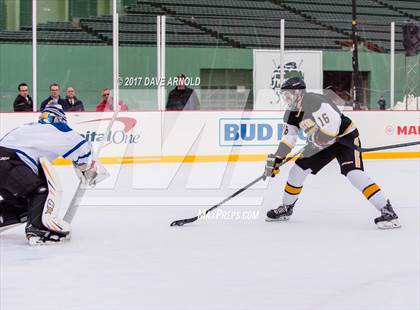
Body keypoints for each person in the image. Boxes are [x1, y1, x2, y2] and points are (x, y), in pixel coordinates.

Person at [264, 77, 400, 229]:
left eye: (288, 94)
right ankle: (287, 208)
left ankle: (388, 211)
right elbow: (289, 138)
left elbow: (332, 128)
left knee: (354, 174)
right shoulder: (291, 113)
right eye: (284, 94)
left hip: (344, 138)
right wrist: (277, 158)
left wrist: (317, 140)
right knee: (297, 171)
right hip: (320, 143)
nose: (286, 97)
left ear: (298, 92)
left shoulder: (315, 102)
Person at [0, 105, 100, 245]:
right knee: (40, 191)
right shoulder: (58, 128)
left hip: (5, 163)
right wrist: (89, 168)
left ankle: (4, 215)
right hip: (9, 163)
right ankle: (38, 229)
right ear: (59, 118)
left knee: (26, 204)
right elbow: (81, 147)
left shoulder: (29, 127)